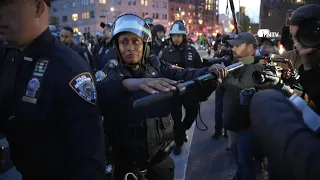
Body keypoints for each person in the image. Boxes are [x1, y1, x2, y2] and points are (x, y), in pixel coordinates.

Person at [96, 14, 228, 180]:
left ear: (144, 44)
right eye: (124, 42)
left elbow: (186, 74)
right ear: (117, 46)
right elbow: (99, 85)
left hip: (160, 162)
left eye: (135, 41)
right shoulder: (110, 68)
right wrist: (127, 83)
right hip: (124, 165)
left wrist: (209, 73)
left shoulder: (157, 66)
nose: (130, 47)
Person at [0, 0, 105, 179]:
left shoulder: (70, 68)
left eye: (6, 4)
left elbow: (89, 161)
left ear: (38, 8)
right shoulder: (9, 55)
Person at [250, 4, 320, 179]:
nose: (300, 43)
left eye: (308, 35)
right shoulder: (294, 59)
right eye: (294, 38)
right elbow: (309, 104)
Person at [158, 21, 206, 155]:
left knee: (192, 113)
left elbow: (200, 68)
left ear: (184, 36)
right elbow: (159, 70)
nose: (176, 38)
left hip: (190, 90)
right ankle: (178, 141)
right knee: (176, 118)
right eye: (174, 36)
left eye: (179, 35)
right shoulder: (165, 52)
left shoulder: (192, 50)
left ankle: (182, 131)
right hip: (173, 91)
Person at [223, 32, 264, 180]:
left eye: (237, 46)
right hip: (233, 119)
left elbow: (242, 88)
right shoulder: (237, 63)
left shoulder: (257, 66)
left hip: (246, 124)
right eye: (233, 46)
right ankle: (240, 172)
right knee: (235, 151)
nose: (233, 50)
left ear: (251, 47)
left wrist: (225, 76)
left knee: (246, 160)